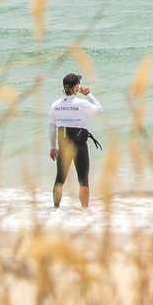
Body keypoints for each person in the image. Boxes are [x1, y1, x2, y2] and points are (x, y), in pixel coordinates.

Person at [48, 72, 103, 208]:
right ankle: (84, 211)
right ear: (76, 87)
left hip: (63, 145)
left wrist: (52, 147)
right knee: (83, 181)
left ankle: (55, 209)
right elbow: (100, 110)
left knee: (59, 179)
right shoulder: (82, 103)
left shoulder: (55, 105)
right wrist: (88, 94)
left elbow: (51, 126)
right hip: (79, 146)